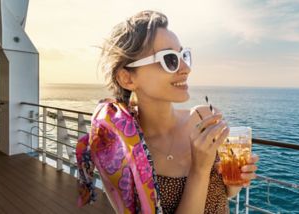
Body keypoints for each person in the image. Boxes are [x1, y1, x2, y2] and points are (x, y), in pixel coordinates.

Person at [76, 10, 259, 214]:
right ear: (127, 79)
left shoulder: (205, 117)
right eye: (170, 59)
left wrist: (235, 179)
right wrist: (199, 170)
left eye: (183, 56)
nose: (186, 69)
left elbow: (225, 192)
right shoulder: (122, 152)